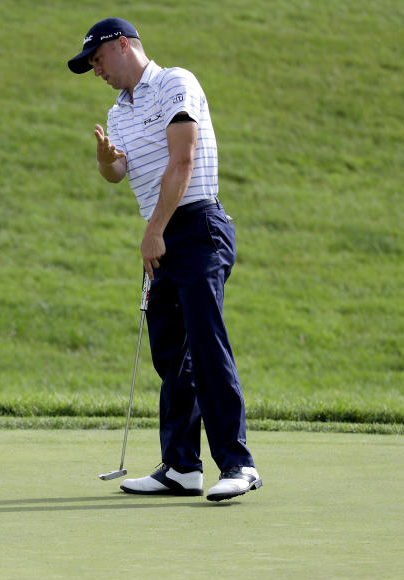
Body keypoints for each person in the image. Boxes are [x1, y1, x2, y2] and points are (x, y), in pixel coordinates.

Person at [68, 18, 262, 502]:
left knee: (205, 342)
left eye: (97, 59)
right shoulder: (118, 113)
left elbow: (184, 159)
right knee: (171, 353)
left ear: (123, 44)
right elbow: (118, 173)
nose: (96, 71)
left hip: (197, 227)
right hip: (163, 235)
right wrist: (105, 159)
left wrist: (153, 230)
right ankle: (181, 467)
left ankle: (238, 464)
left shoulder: (176, 82)